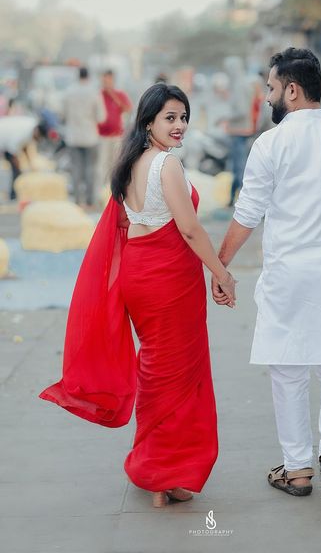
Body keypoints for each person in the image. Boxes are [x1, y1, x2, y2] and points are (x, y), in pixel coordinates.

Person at [39, 83, 236, 509]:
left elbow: (129, 225)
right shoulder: (167, 165)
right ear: (148, 121)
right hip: (168, 281)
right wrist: (222, 273)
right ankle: (164, 473)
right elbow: (189, 229)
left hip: (140, 274)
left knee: (157, 369)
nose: (179, 125)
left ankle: (158, 470)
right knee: (180, 376)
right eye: (170, 117)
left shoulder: (129, 162)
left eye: (183, 116)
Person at [212, 48, 321, 512]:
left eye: (271, 88)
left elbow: (248, 213)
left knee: (287, 368)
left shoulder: (271, 144)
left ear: (291, 90)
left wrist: (220, 266)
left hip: (287, 274)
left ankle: (298, 469)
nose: (268, 97)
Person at [63, 67, 105, 207]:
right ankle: (90, 200)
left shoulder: (69, 91)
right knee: (90, 168)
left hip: (73, 136)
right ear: (88, 76)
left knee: (75, 168)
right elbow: (101, 117)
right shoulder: (94, 92)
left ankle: (76, 199)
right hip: (90, 135)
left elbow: (62, 113)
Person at [224, 56, 255, 207]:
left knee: (239, 168)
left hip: (240, 131)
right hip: (239, 130)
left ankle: (243, 201)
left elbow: (242, 110)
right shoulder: (241, 83)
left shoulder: (239, 85)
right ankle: (233, 200)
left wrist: (225, 117)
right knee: (238, 167)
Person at [97, 70, 132, 192]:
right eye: (104, 80)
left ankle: (114, 189)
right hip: (102, 136)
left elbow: (128, 108)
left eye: (109, 80)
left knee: (115, 163)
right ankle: (103, 190)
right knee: (103, 164)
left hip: (117, 135)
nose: (106, 82)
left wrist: (112, 94)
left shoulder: (119, 94)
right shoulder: (98, 95)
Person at [0, 115, 45, 200]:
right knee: (16, 171)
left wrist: (30, 163)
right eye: (39, 137)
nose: (38, 139)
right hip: (3, 138)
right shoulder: (23, 132)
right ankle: (13, 195)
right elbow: (13, 153)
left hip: (5, 138)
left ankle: (14, 193)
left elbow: (24, 147)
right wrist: (19, 168)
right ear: (37, 131)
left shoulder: (31, 127)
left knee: (17, 170)